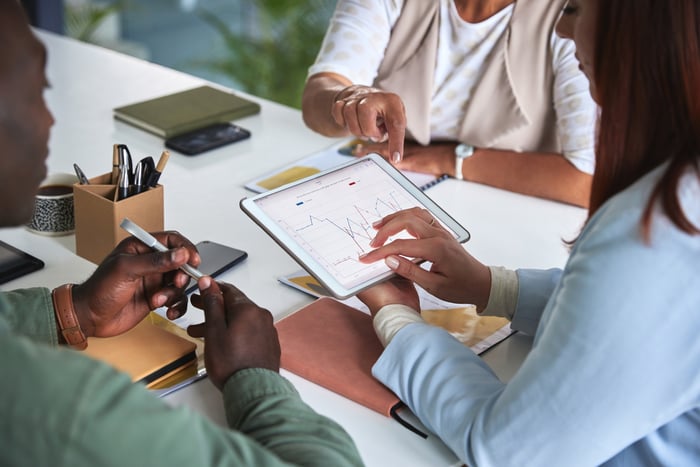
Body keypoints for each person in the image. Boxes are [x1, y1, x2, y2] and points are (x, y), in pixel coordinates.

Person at [0, 3, 362, 466]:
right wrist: (254, 379)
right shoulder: (64, 408)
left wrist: (72, 311)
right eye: (35, 89)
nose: (50, 120)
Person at [355, 0, 700, 465]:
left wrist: (397, 320)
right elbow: (640, 314)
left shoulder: (656, 233)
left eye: (576, 7)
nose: (561, 27)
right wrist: (492, 286)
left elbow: (507, 450)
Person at [302, 0, 598, 207]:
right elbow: (320, 93)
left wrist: (449, 160)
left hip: (516, 215)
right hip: (390, 192)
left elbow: (586, 180)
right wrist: (346, 100)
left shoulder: (572, 14)